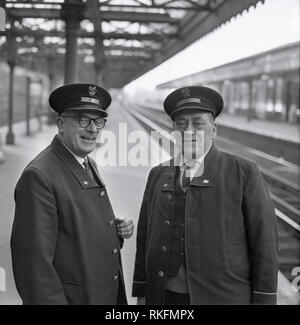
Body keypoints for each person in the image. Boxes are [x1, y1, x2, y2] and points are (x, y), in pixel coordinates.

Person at [132, 86, 278, 305]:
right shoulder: (157, 174)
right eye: (180, 124)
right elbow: (144, 238)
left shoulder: (244, 172)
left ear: (214, 130)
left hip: (222, 296)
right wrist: (142, 293)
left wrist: (265, 300)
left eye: (198, 123)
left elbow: (264, 242)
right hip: (164, 297)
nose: (188, 131)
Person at [11, 83, 134, 305]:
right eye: (82, 120)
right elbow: (34, 270)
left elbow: (72, 227)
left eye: (98, 121)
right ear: (60, 124)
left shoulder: (87, 163)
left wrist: (112, 229)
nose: (93, 129)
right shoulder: (39, 177)